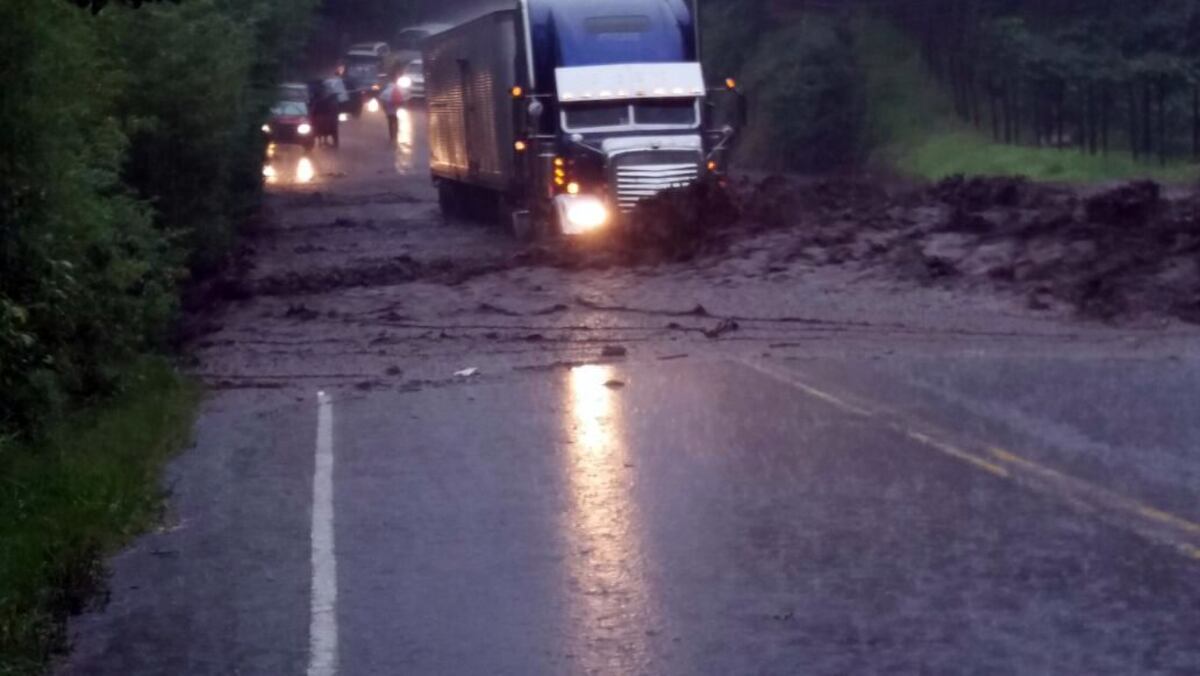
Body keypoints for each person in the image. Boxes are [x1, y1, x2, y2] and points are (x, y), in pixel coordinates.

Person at [379, 77, 404, 142]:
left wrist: (383, 107)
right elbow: (400, 101)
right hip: (394, 108)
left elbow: (383, 100)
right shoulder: (397, 90)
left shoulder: (386, 92)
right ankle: (396, 133)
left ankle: (392, 136)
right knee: (395, 119)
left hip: (389, 109)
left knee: (390, 122)